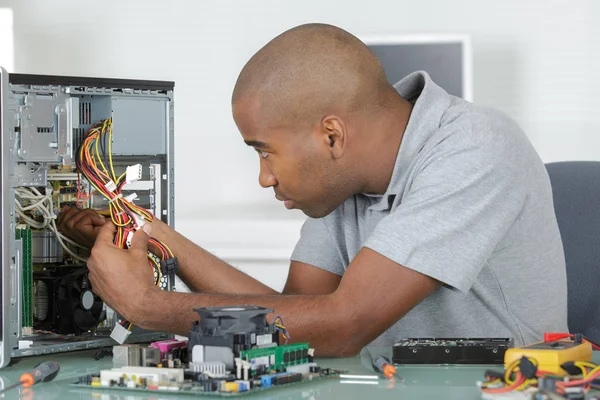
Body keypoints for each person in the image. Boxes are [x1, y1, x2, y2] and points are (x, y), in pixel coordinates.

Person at [57, 23, 568, 357]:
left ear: (331, 135)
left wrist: (146, 305)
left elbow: (342, 326)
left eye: (264, 151)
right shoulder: (348, 180)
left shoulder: (474, 148)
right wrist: (150, 233)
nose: (264, 177)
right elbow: (295, 317)